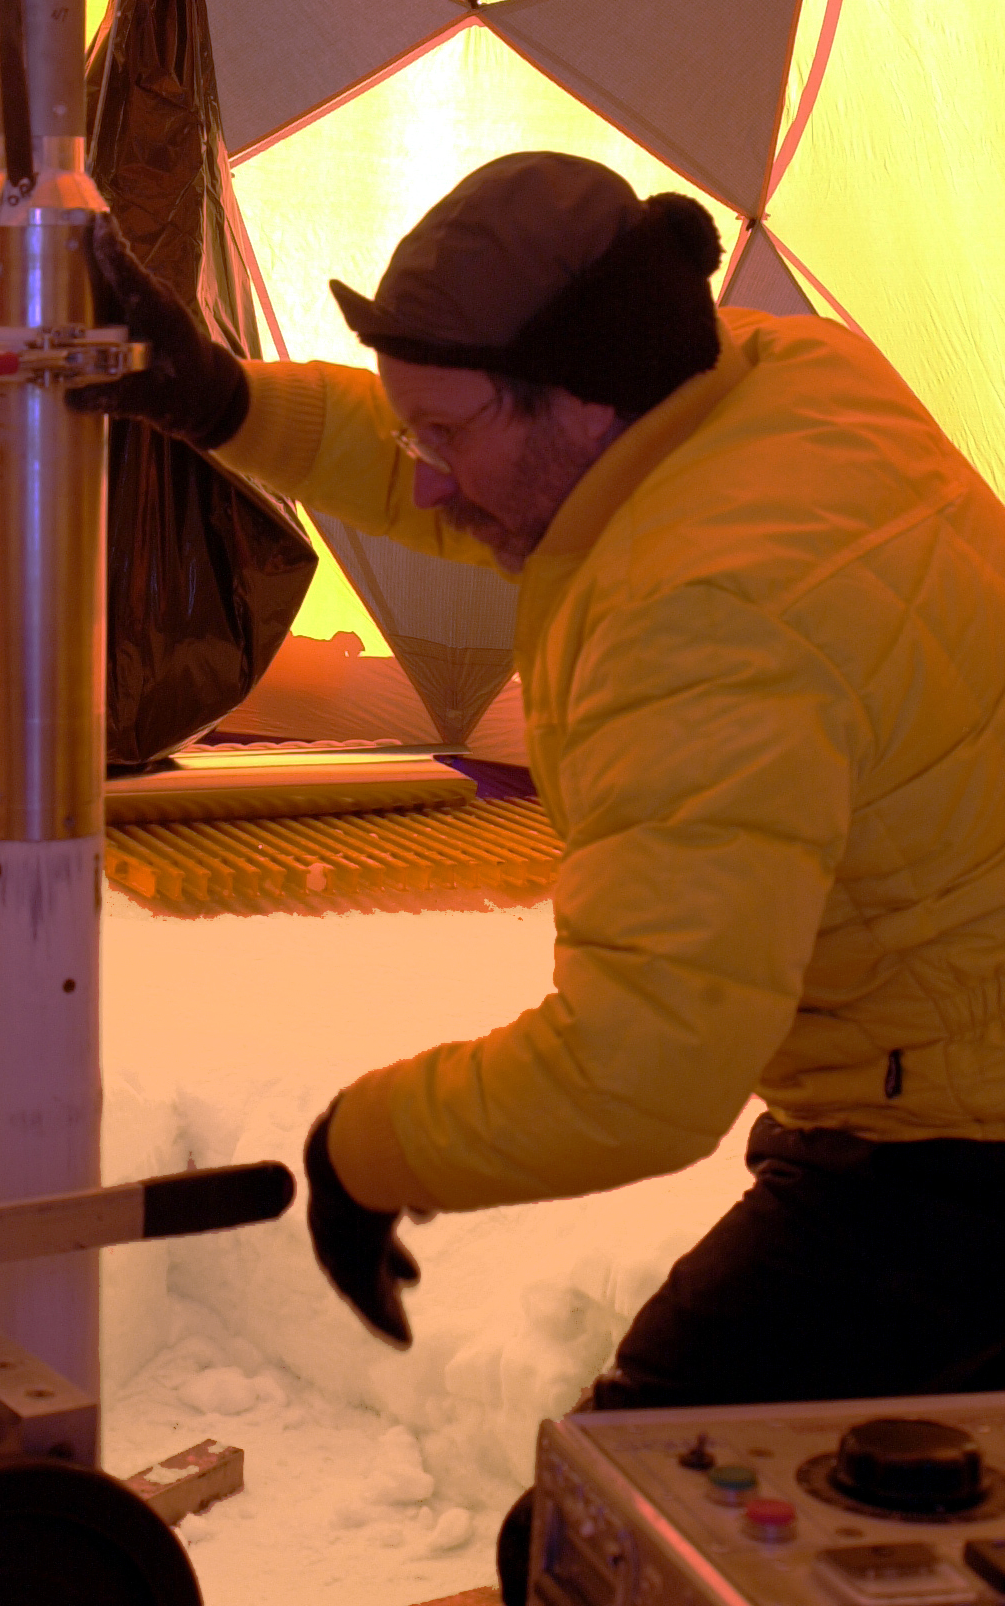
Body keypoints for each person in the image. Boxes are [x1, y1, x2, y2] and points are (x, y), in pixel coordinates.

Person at [69, 153, 1005, 1605]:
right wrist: (224, 398)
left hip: (960, 1144)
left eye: (445, 425)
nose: (424, 471)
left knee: (611, 1540)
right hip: (931, 1054)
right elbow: (476, 478)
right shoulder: (773, 379)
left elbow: (639, 1073)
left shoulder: (704, 619)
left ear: (582, 401)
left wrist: (365, 1149)